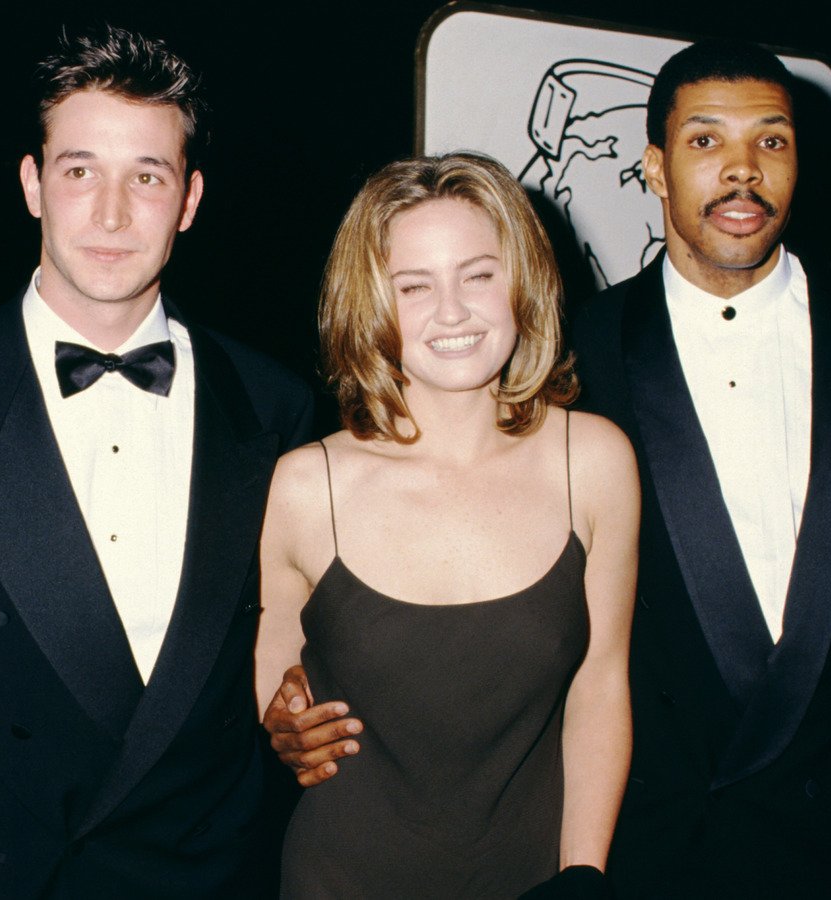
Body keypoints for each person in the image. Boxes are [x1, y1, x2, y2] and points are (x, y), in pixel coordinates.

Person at [0, 26, 314, 897]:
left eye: (146, 177)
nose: (112, 215)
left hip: (207, 876)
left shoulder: (276, 407)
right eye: (80, 171)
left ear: (189, 199)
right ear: (32, 184)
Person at [562, 40, 831, 896]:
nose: (742, 170)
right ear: (655, 167)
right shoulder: (571, 357)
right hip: (662, 838)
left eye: (771, 141)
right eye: (706, 140)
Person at [254, 152, 637, 898]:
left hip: (538, 881)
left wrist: (582, 875)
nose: (453, 311)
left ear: (522, 281)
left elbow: (601, 684)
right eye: (414, 286)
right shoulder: (305, 486)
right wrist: (283, 719)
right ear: (371, 303)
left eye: (478, 275)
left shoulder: (593, 461)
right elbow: (275, 670)